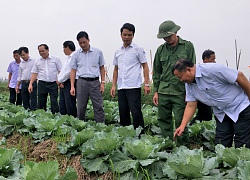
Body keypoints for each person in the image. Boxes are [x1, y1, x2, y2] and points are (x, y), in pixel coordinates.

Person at [173, 59, 250, 148]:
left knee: (242, 141)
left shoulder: (212, 69)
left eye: (180, 76)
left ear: (189, 70)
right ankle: (222, 161)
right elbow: (190, 105)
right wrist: (182, 126)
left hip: (239, 106)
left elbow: (239, 76)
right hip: (221, 112)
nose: (181, 80)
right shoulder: (189, 85)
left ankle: (245, 161)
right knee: (221, 142)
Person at [152, 20, 196, 145]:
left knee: (180, 119)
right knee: (163, 119)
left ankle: (183, 147)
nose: (167, 39)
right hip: (163, 90)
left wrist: (190, 92)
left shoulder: (188, 46)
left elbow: (192, 71)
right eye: (164, 37)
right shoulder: (160, 50)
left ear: (176, 32)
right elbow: (157, 71)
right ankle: (168, 144)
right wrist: (156, 91)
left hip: (180, 91)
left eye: (169, 36)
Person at [110, 23, 150, 130]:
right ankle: (126, 134)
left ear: (133, 35)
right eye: (125, 35)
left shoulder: (138, 49)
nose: (127, 37)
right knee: (123, 112)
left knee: (136, 111)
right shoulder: (118, 51)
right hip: (121, 87)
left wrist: (147, 84)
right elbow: (116, 69)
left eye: (129, 35)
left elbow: (145, 66)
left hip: (133, 86)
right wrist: (113, 85)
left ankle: (140, 134)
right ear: (121, 35)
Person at [70, 31, 105, 122]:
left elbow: (102, 68)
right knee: (81, 107)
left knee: (98, 106)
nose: (83, 44)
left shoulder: (98, 52)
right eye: (80, 43)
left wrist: (103, 83)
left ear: (89, 40)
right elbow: (73, 71)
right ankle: (81, 127)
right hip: (81, 82)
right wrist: (72, 86)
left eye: (84, 42)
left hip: (95, 82)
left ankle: (101, 127)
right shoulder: (76, 54)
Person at [28, 44, 62, 114]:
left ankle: (55, 116)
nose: (41, 53)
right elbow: (34, 73)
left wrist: (60, 81)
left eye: (43, 51)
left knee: (54, 101)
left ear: (48, 50)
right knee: (41, 102)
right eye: (39, 51)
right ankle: (42, 117)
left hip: (53, 83)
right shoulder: (37, 61)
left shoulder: (55, 59)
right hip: (42, 83)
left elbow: (60, 71)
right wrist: (30, 84)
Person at [189, 49, 216, 125]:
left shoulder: (214, 70)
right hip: (202, 96)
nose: (214, 62)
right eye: (212, 59)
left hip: (209, 96)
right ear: (205, 59)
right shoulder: (199, 71)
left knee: (205, 114)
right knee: (204, 114)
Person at [58, 41, 77, 117]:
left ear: (67, 48)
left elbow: (70, 72)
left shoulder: (74, 57)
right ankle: (64, 122)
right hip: (63, 83)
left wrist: (60, 80)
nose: (63, 50)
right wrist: (59, 81)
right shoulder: (67, 59)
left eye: (63, 48)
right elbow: (62, 72)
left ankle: (72, 120)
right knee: (63, 104)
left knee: (70, 104)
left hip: (69, 82)